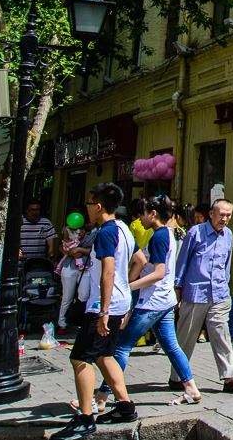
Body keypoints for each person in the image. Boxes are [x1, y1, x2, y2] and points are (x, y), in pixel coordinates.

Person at [86, 196, 202, 410]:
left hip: (151, 303)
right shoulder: (167, 233)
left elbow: (159, 272)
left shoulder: (159, 236)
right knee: (171, 346)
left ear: (153, 214)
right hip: (164, 300)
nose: (140, 219)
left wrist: (129, 286)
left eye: (143, 214)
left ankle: (102, 397)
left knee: (121, 347)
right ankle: (191, 389)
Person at [52, 183, 137, 440]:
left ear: (98, 206)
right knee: (104, 355)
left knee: (80, 359)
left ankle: (85, 418)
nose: (87, 208)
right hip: (119, 301)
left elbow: (108, 271)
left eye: (89, 204)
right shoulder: (123, 229)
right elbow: (139, 260)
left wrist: (104, 311)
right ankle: (125, 407)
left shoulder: (106, 232)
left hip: (104, 305)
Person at [171, 198, 233, 393]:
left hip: (219, 293)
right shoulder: (195, 233)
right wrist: (177, 288)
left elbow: (227, 262)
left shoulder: (228, 234)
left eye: (228, 215)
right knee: (186, 336)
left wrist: (225, 283)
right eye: (221, 215)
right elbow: (182, 261)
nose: (225, 219)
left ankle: (230, 377)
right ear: (212, 214)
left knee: (221, 333)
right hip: (196, 292)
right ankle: (177, 376)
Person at [56, 220, 87, 330]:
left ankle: (80, 320)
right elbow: (63, 246)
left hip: (86, 268)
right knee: (67, 297)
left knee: (84, 295)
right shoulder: (67, 230)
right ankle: (61, 323)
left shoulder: (92, 233)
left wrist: (79, 250)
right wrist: (70, 251)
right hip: (69, 267)